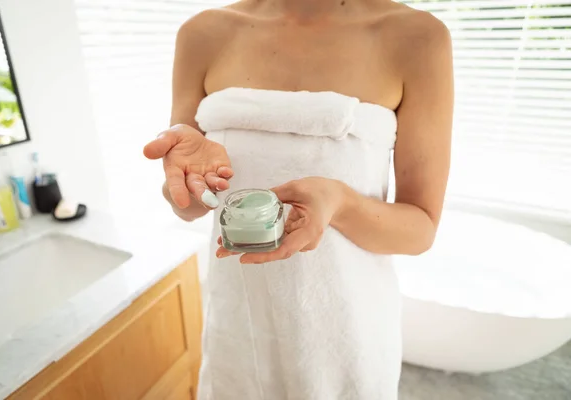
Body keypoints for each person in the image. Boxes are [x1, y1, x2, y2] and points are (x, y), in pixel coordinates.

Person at [143, 0, 453, 398]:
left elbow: (420, 230)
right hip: (242, 328)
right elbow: (185, 203)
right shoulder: (202, 33)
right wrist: (184, 185)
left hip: (347, 331)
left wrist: (340, 202)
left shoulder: (416, 37)